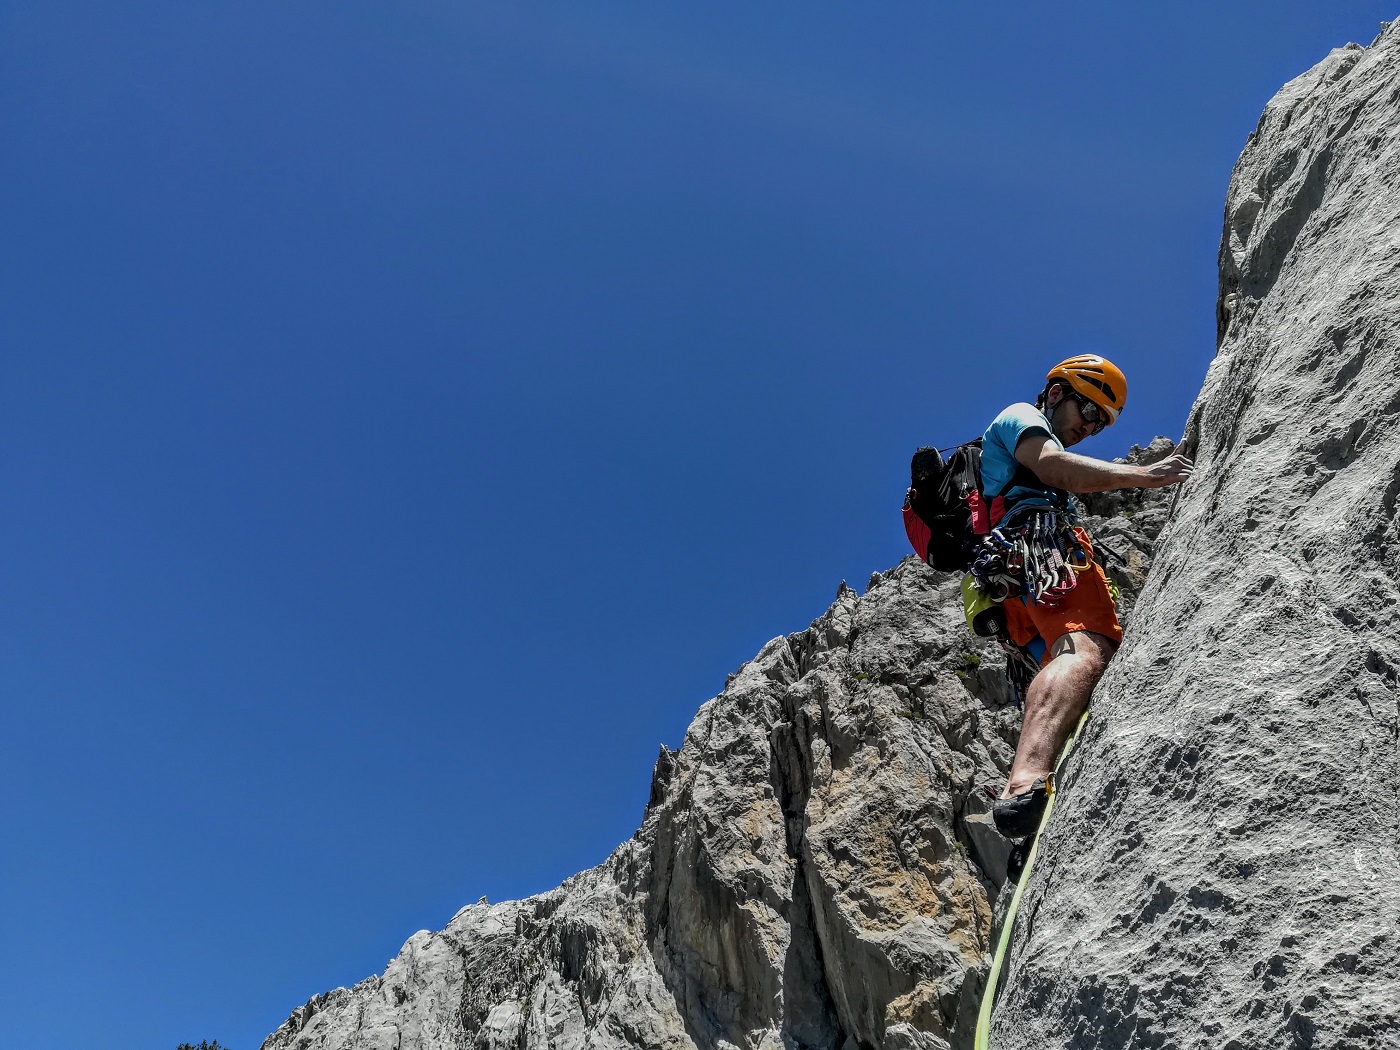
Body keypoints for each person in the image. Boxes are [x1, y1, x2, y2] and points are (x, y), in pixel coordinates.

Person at [980, 355, 1193, 838]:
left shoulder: (1018, 449)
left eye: (1101, 425)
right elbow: (1055, 468)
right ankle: (1027, 781)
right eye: (1090, 413)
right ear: (1057, 394)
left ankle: (1031, 814)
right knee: (1089, 645)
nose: (1091, 429)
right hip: (1041, 553)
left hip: (1013, 582)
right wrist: (1145, 475)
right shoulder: (1023, 417)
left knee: (1072, 679)